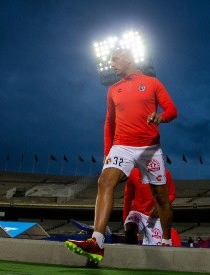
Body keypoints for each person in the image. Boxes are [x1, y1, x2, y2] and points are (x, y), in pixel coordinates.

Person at [65, 48, 178, 263]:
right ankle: (97, 242)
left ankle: (166, 241)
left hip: (149, 148)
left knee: (161, 198)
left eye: (115, 59)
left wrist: (160, 117)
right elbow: (109, 123)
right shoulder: (112, 90)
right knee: (104, 181)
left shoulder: (152, 83)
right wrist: (108, 153)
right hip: (122, 146)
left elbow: (172, 110)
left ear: (129, 58)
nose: (112, 64)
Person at [123, 167, 180, 246]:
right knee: (129, 229)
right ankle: (133, 255)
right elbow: (128, 197)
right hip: (137, 213)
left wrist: (159, 205)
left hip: (155, 217)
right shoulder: (133, 173)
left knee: (154, 249)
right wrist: (124, 219)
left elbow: (172, 194)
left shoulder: (164, 173)